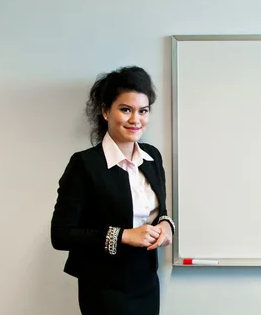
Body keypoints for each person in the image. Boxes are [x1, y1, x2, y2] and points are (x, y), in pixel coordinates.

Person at [50, 65, 174, 315]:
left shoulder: (152, 157)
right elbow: (61, 234)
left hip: (147, 281)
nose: (135, 120)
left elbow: (158, 212)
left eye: (143, 111)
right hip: (104, 288)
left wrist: (166, 225)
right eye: (126, 109)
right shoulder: (85, 164)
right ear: (106, 111)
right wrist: (124, 235)